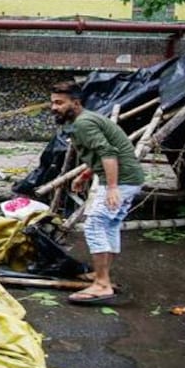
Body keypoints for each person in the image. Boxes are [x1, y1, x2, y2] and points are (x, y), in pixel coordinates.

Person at [49, 81, 145, 305]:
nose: (54, 107)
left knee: (95, 225)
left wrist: (112, 187)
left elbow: (108, 152)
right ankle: (102, 276)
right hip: (125, 179)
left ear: (76, 102)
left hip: (121, 180)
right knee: (108, 225)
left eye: (60, 103)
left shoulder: (84, 123)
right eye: (53, 102)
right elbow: (102, 152)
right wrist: (86, 174)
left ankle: (102, 284)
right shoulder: (83, 120)